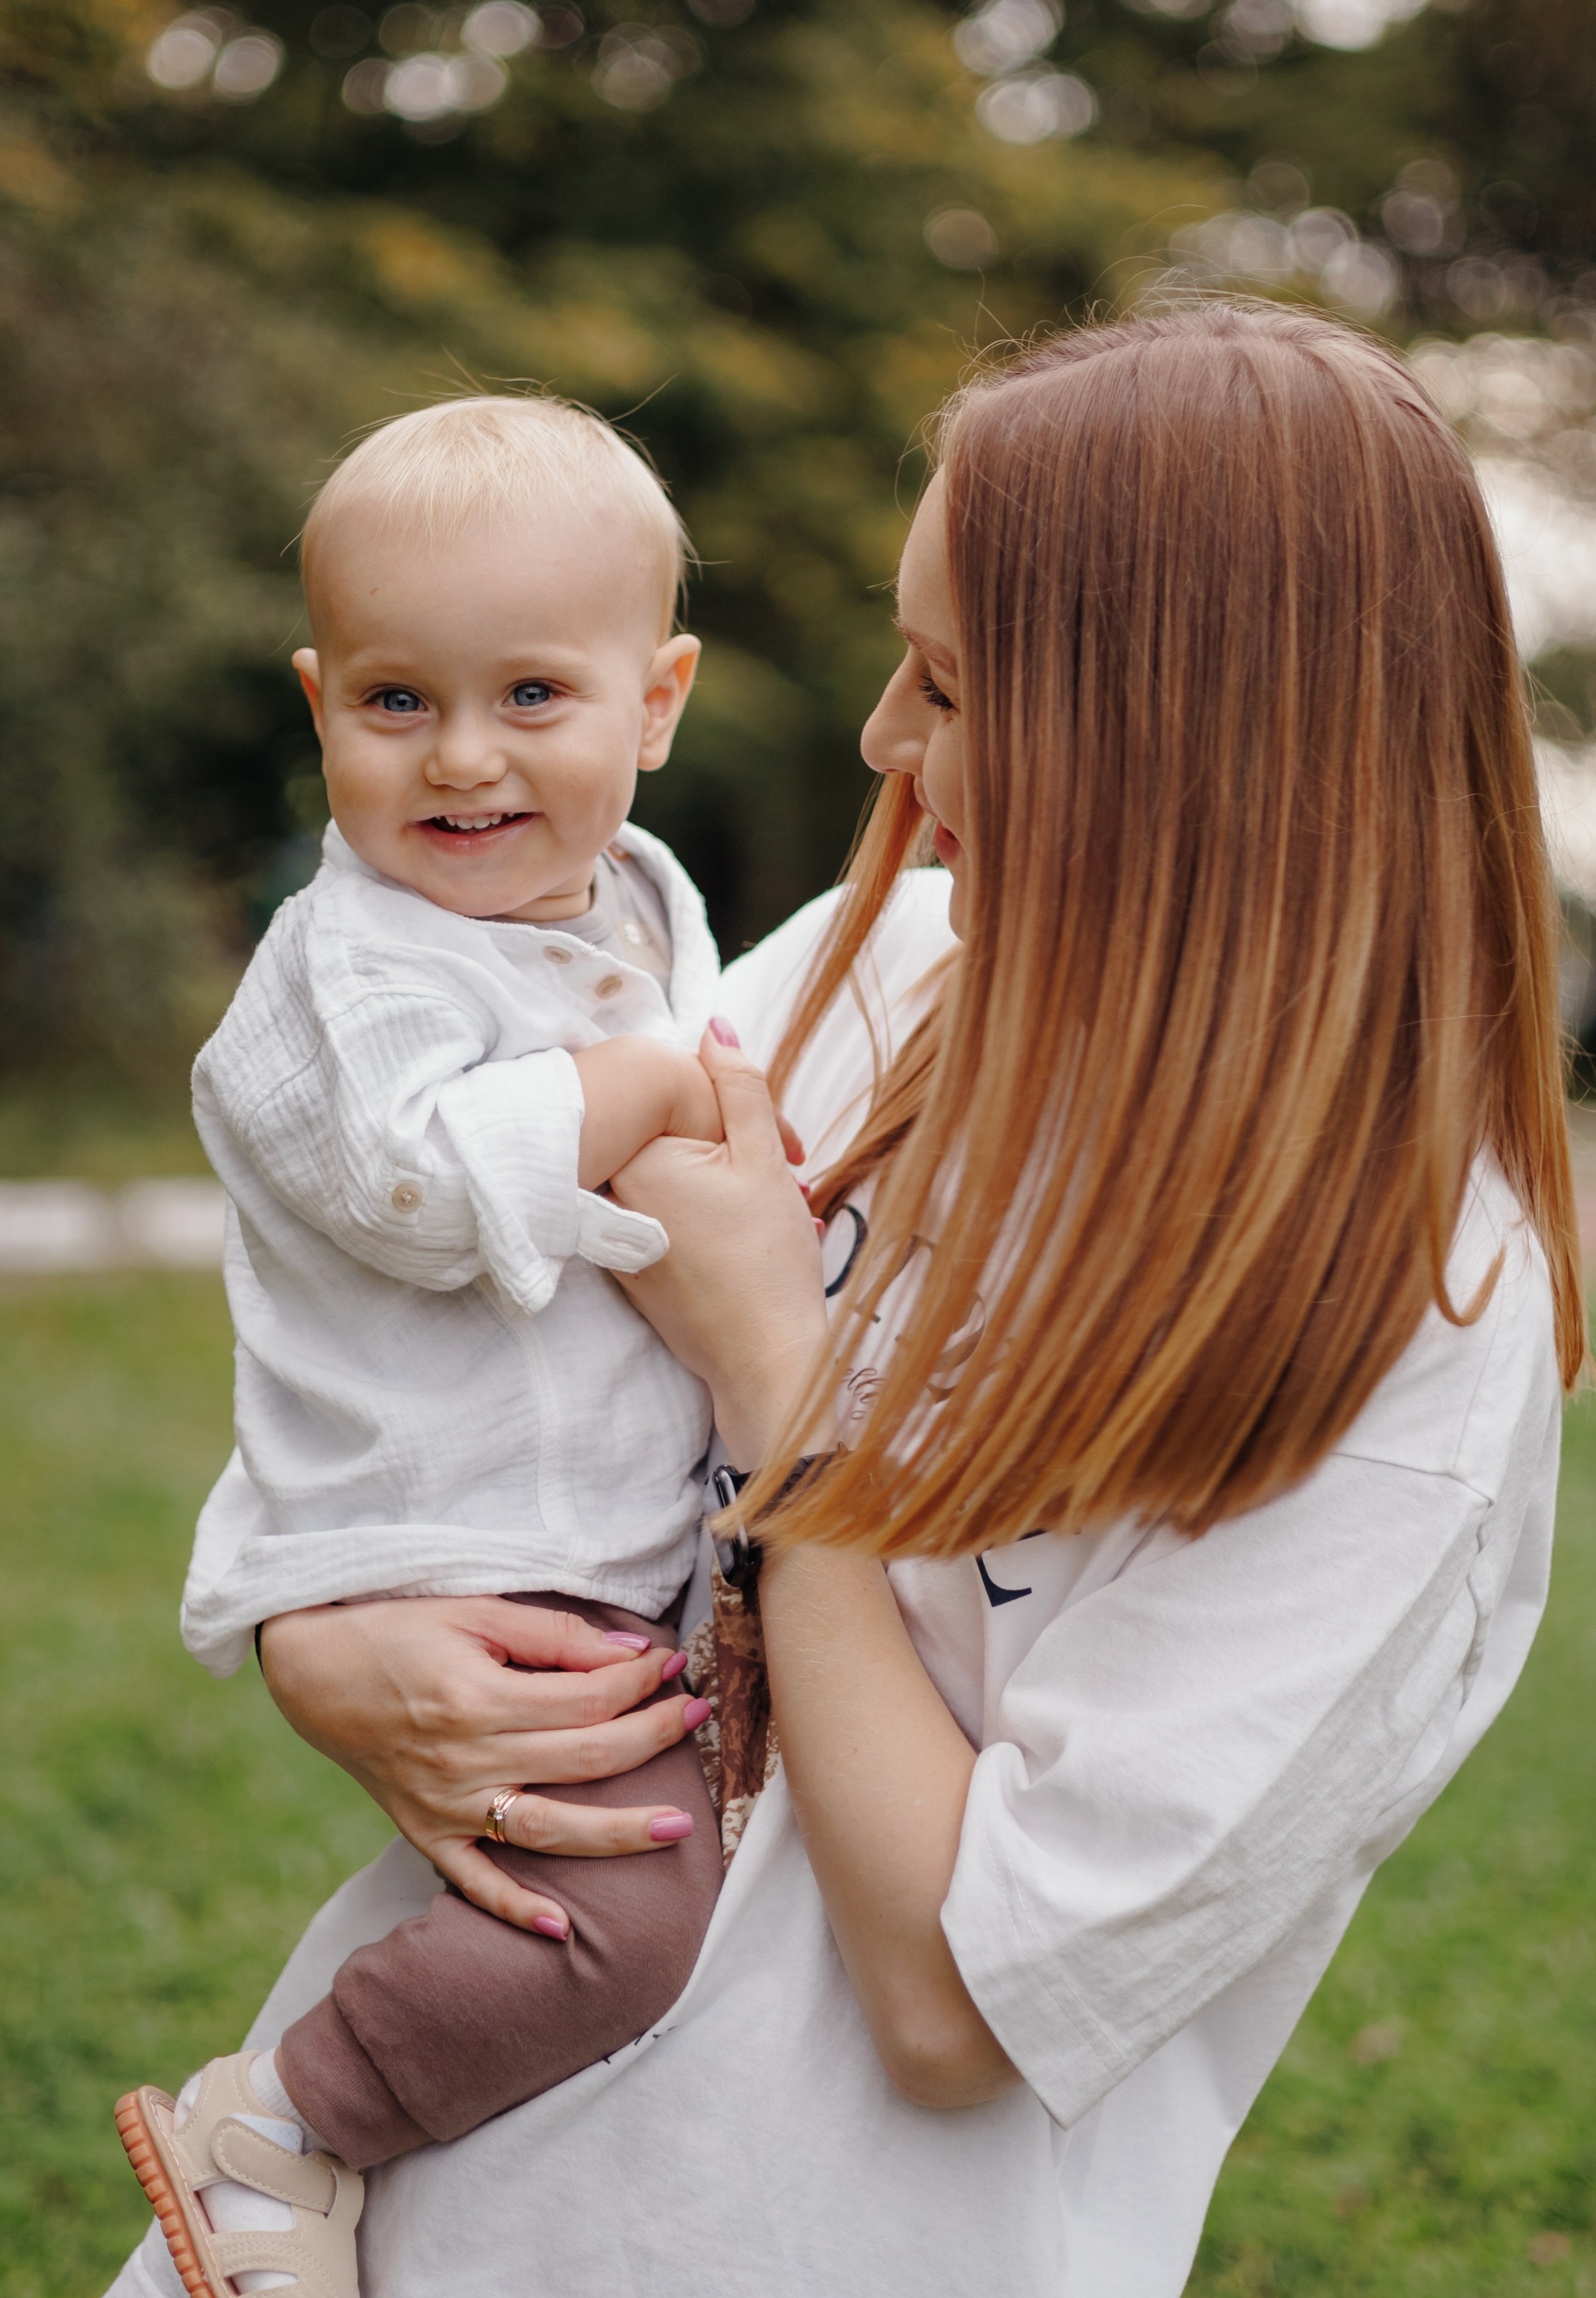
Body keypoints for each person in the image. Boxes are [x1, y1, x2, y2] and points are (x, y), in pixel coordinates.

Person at [108, 303, 1582, 2298]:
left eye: (953, 685)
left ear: (1194, 733)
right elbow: (446, 1280)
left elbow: (961, 2007)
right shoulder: (882, 964)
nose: (887, 741)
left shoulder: (1415, 1343)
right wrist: (322, 1636)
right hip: (394, 2194)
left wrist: (785, 1388)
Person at [114, 393, 806, 2298]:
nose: (465, 758)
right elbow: (418, 1181)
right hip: (457, 1536)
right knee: (628, 1919)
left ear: (656, 703)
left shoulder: (648, 903)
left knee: (645, 1878)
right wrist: (651, 1079)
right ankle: (290, 2117)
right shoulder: (356, 967)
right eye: (397, 702)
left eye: (534, 696)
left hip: (590, 1526)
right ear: (319, 697)